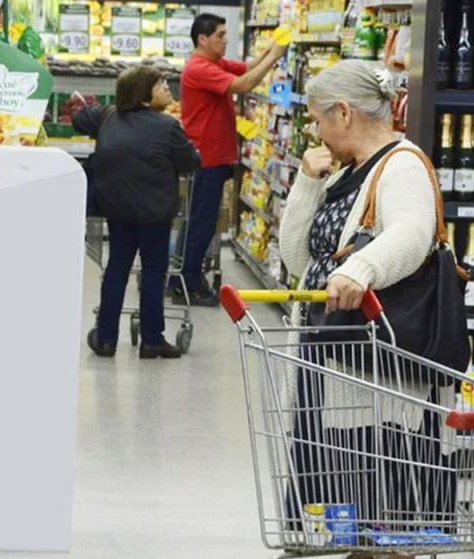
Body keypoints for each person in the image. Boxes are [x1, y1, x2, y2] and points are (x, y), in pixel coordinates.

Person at [278, 60, 455, 542]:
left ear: (343, 112)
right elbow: (298, 259)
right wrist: (307, 183)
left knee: (384, 509)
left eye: (318, 119)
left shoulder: (402, 165)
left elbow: (413, 234)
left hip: (378, 379)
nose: (316, 131)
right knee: (342, 507)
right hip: (334, 358)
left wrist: (361, 268)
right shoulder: (346, 172)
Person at [74, 66, 201, 359]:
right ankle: (152, 339)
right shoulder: (167, 127)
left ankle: (105, 338)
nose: (168, 87)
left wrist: (83, 110)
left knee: (117, 269)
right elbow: (190, 161)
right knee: (154, 272)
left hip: (116, 210)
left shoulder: (107, 117)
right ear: (144, 98)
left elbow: (80, 119)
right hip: (154, 214)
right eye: (160, 85)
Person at [176, 13, 287, 306]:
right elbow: (243, 85)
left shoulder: (213, 63)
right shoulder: (200, 68)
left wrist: (271, 48)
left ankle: (184, 276)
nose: (226, 41)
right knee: (200, 221)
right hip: (206, 158)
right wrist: (275, 55)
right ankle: (187, 281)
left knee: (201, 219)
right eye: (220, 36)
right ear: (202, 39)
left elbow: (247, 68)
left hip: (214, 157)